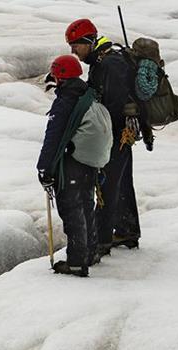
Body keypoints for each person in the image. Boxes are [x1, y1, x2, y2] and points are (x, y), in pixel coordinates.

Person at [67, 18, 142, 253]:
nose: (74, 52)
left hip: (116, 134)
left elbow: (113, 103)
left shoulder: (109, 64)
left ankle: (102, 241)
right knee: (121, 181)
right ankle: (127, 231)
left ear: (89, 41)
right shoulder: (104, 61)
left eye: (76, 46)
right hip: (120, 133)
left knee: (107, 185)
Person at [37, 54, 111, 277]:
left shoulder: (65, 102)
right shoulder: (87, 94)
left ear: (60, 76)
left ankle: (77, 262)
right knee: (87, 206)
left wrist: (44, 169)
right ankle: (90, 253)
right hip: (90, 164)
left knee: (72, 211)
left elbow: (54, 138)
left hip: (72, 163)